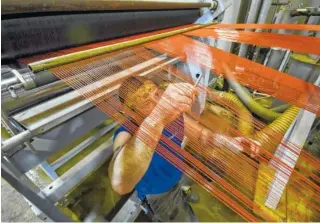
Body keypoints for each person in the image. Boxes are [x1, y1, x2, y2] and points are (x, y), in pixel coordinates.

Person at [109, 76, 259, 222]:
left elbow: (202, 135)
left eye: (157, 94)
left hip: (176, 175)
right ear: (132, 113)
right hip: (159, 194)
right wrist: (159, 116)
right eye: (146, 103)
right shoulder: (126, 133)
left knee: (191, 180)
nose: (157, 103)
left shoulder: (174, 116)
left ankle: (183, 193)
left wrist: (232, 143)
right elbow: (120, 184)